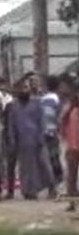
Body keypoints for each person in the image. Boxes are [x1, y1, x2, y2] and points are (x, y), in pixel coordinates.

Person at [7, 74, 54, 200]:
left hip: (37, 138)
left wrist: (41, 137)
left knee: (44, 165)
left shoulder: (37, 102)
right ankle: (29, 191)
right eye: (21, 88)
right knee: (26, 167)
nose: (24, 90)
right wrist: (12, 138)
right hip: (22, 140)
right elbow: (11, 123)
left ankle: (52, 188)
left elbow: (41, 121)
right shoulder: (14, 105)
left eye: (26, 87)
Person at [41, 75, 64, 196]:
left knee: (49, 159)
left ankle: (52, 187)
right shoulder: (57, 100)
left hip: (43, 133)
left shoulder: (43, 99)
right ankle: (55, 186)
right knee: (54, 159)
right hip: (52, 133)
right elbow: (59, 117)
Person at [60, 76, 79, 208]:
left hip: (73, 147)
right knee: (70, 177)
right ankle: (72, 202)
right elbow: (61, 123)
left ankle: (73, 202)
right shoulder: (70, 109)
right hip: (72, 147)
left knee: (71, 176)